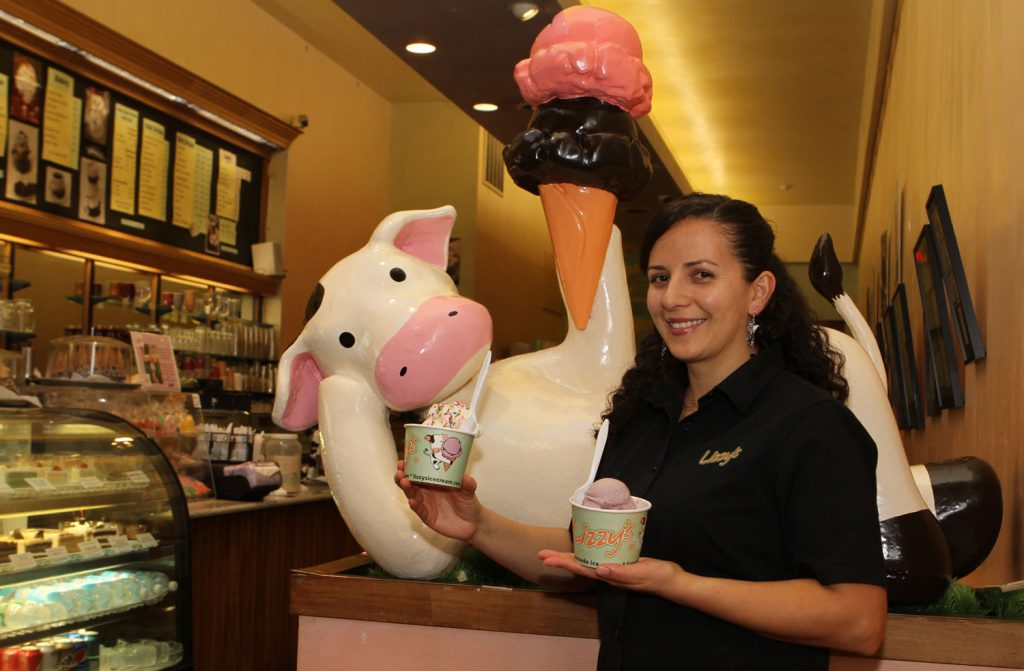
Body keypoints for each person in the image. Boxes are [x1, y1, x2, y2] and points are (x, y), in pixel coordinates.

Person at [396, 193, 887, 670]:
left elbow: (858, 621)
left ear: (757, 292)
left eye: (701, 275)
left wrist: (677, 583)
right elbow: (593, 555)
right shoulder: (643, 415)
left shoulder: (809, 425)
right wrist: (477, 525)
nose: (673, 298)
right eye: (659, 278)